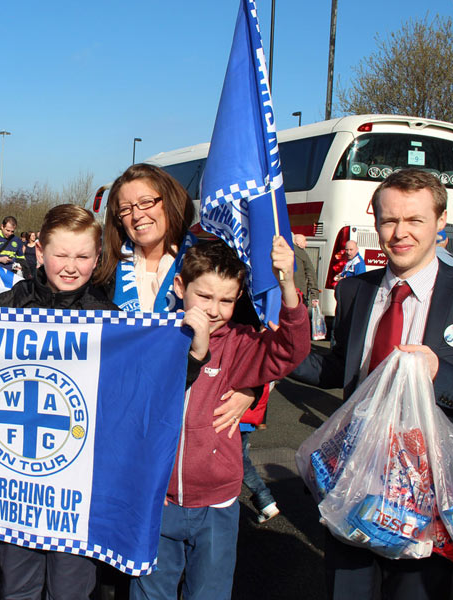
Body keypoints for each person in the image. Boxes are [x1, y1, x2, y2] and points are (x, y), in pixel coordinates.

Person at [292, 168, 453, 600]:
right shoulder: (355, 291)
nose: (399, 233)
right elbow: (336, 370)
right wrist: (276, 356)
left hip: (431, 496)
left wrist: (439, 374)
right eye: (389, 221)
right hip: (355, 484)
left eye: (414, 220)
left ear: (441, 222)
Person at [131, 238, 309, 600]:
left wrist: (288, 284)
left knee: (209, 593)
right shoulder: (155, 336)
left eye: (226, 300)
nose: (214, 310)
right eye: (205, 296)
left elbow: (291, 350)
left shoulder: (241, 343)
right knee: (151, 594)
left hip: (217, 503)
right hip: (157, 501)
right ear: (180, 287)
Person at [0, 204, 119, 600]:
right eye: (61, 254)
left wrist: (194, 357)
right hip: (14, 487)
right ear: (40, 253)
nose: (71, 266)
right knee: (19, 590)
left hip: (77, 490)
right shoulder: (2, 309)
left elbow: (146, 386)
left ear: (97, 259)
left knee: (71, 592)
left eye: (82, 256)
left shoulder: (113, 321)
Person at [96, 164, 256, 425]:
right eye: (126, 209)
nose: (137, 215)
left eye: (146, 202)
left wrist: (252, 388)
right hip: (123, 408)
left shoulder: (208, 260)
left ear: (169, 202)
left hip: (198, 411)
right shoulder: (105, 269)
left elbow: (253, 331)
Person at [292, 233, 319, 306]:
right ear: (297, 242)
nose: (306, 244)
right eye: (304, 241)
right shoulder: (301, 253)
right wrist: (314, 296)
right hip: (299, 293)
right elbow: (311, 274)